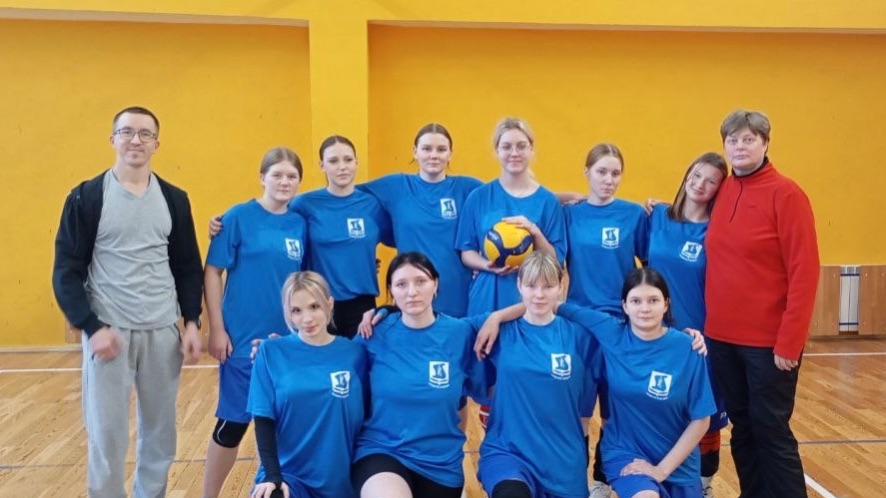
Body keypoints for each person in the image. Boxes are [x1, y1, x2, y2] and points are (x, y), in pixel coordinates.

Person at [52, 106, 203, 498]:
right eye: (127, 132)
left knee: (160, 433)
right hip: (109, 332)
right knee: (107, 433)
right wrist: (91, 326)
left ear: (156, 143)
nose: (136, 140)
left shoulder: (174, 199)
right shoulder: (86, 197)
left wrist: (191, 322)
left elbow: (188, 266)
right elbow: (66, 271)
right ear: (113, 139)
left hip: (162, 331)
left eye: (145, 134)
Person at [477, 267, 714, 498]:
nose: (645, 308)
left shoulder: (688, 347)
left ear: (666, 304)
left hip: (679, 463)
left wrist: (662, 469)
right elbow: (546, 303)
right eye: (636, 301)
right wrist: (496, 317)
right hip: (625, 452)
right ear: (624, 305)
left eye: (653, 300)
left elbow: (702, 419)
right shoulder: (609, 331)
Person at [704, 110, 819, 498]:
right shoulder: (724, 190)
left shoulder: (787, 195)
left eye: (748, 139)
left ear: (765, 143)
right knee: (743, 427)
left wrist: (790, 342)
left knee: (771, 430)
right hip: (722, 339)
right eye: (732, 140)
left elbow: (805, 272)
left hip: (769, 345)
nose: (739, 146)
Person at [201, 147, 308, 498]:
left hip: (286, 343)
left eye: (292, 176)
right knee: (233, 424)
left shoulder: (300, 223)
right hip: (242, 340)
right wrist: (217, 328)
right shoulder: (236, 217)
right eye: (277, 174)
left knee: (286, 424)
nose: (284, 181)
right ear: (262, 177)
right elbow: (213, 272)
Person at [209, 135, 394, 338]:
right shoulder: (303, 204)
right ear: (322, 165)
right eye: (333, 161)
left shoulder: (372, 204)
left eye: (348, 160)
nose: (342, 166)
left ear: (356, 161)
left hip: (361, 305)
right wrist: (222, 222)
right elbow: (270, 209)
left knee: (360, 358)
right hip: (317, 303)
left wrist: (363, 259)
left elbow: (400, 235)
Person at [352, 252, 486, 498]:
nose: (411, 292)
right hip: (382, 451)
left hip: (441, 465)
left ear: (435, 284)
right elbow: (331, 360)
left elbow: (461, 400)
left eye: (420, 281)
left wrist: (498, 317)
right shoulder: (373, 333)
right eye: (401, 284)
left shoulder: (461, 333)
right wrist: (281, 349)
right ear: (391, 291)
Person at [473, 251, 602, 498]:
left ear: (561, 286)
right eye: (531, 285)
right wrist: (495, 317)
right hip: (508, 452)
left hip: (563, 461)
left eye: (548, 286)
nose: (539, 294)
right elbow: (438, 328)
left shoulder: (581, 336)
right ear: (519, 285)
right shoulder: (498, 330)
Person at [563, 143, 648, 498]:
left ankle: (603, 479)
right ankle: (576, 482)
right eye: (601, 171)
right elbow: (532, 201)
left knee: (616, 414)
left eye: (615, 173)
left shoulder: (634, 214)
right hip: (579, 328)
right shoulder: (570, 214)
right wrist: (564, 196)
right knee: (579, 414)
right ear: (587, 173)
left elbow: (653, 260)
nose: (609, 179)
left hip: (621, 330)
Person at [647, 152, 729, 497]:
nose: (700, 184)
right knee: (659, 406)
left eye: (711, 181)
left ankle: (705, 484)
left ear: (719, 190)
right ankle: (654, 479)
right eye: (696, 175)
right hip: (655, 335)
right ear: (686, 175)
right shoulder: (656, 217)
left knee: (705, 413)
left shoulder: (717, 231)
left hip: (700, 337)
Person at [249, 271, 367, 498]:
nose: (307, 319)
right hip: (289, 476)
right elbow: (263, 420)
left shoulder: (355, 353)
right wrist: (272, 476)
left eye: (314, 307)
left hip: (340, 480)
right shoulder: (270, 352)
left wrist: (384, 310)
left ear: (329, 304)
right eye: (296, 310)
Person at [358, 124, 482, 317]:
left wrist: (483, 256)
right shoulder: (396, 186)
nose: (434, 155)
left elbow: (499, 212)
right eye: (426, 149)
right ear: (415, 152)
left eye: (441, 149)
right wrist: (359, 254)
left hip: (458, 296)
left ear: (450, 154)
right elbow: (346, 199)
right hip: (412, 298)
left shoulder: (468, 188)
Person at [455, 117, 567, 316]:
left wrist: (534, 232)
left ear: (531, 149)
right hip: (487, 295)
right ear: (497, 150)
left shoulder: (548, 202)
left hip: (531, 300)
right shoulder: (478, 197)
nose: (514, 153)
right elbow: (467, 252)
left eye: (521, 146)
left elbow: (556, 261)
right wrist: (487, 265)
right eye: (507, 147)